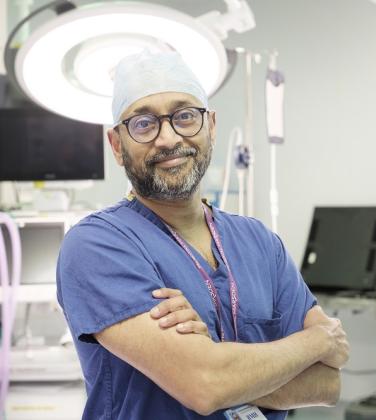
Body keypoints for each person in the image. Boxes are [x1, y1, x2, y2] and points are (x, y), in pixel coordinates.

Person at [56, 51, 349, 420]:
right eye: (144, 123)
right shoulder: (98, 245)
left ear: (210, 125)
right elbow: (205, 384)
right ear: (117, 145)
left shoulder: (260, 243)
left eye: (184, 116)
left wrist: (215, 362)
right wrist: (316, 341)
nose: (167, 138)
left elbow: (327, 384)